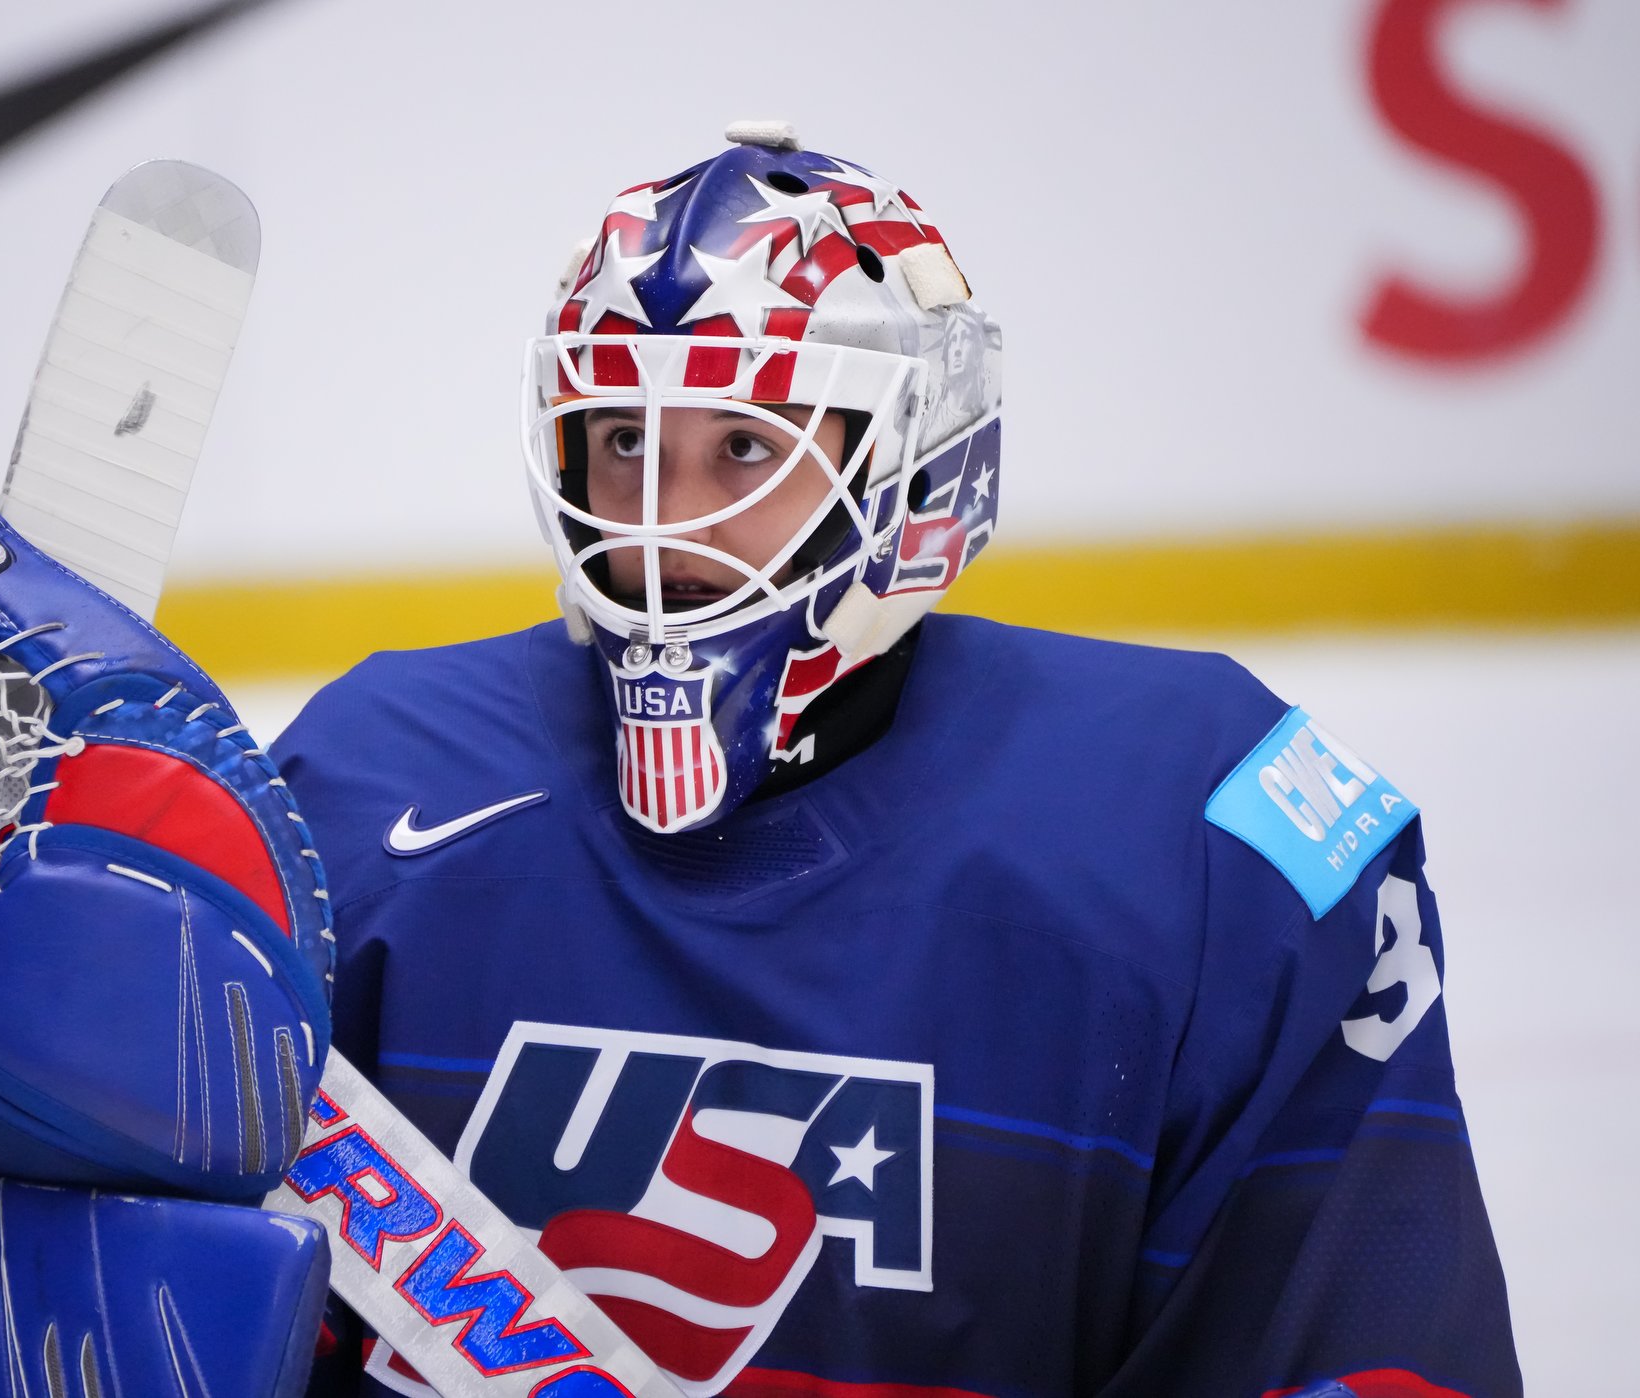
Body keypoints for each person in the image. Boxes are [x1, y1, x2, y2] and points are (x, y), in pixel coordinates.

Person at [271, 123, 1521, 1397]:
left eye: (744, 447)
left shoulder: (1204, 840)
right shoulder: (367, 786)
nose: (662, 533)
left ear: (913, 471)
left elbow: (1368, 1355)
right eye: (627, 443)